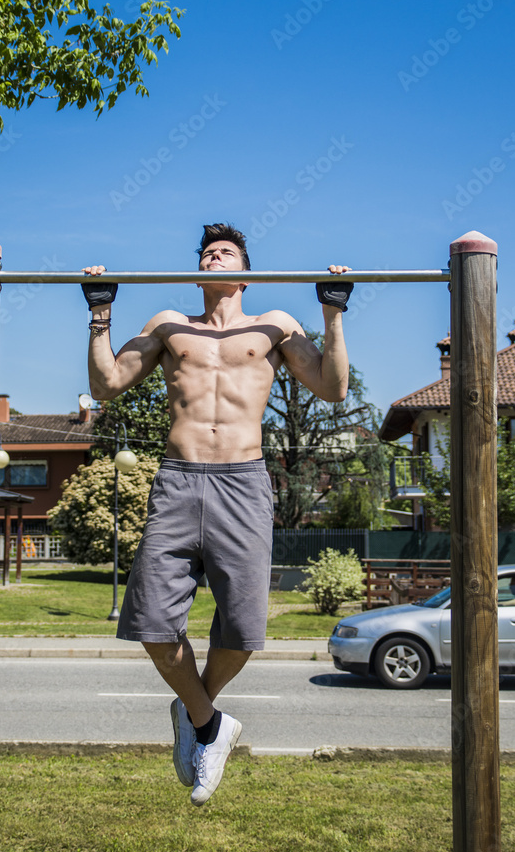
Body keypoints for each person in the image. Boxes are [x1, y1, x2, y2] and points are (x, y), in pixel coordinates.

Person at [83, 223, 352, 805]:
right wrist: (100, 313)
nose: (213, 256)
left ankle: (193, 714)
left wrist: (333, 314)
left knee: (244, 629)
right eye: (206, 252)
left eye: (225, 252)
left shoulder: (274, 325)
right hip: (177, 481)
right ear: (196, 272)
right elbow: (105, 385)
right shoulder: (168, 326)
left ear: (245, 274)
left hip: (243, 483)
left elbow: (333, 388)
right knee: (151, 622)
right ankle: (209, 724)